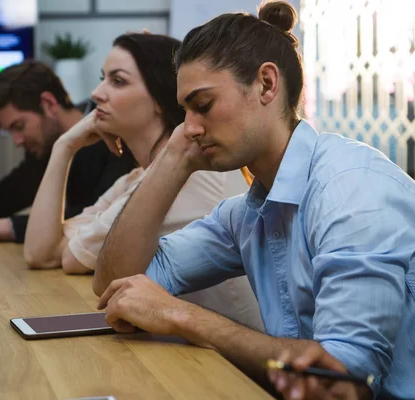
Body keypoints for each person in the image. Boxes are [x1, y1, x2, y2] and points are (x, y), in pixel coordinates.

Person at [93, 2, 414, 399]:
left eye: (204, 105)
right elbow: (115, 286)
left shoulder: (351, 190)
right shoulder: (247, 213)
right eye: (184, 112)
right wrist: (173, 159)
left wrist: (182, 316)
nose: (190, 127)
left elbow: (343, 378)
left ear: (266, 84)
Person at [23, 32, 263, 330]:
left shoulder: (190, 175)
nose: (97, 93)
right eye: (103, 78)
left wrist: (64, 148)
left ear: (160, 99)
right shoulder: (136, 177)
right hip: (202, 350)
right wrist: (64, 148)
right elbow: (42, 250)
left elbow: (66, 257)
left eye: (118, 81)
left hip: (236, 366)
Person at [0, 61, 136, 244]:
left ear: (48, 104)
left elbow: (99, 219)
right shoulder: (43, 148)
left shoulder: (112, 133)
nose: (17, 141)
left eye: (18, 126)